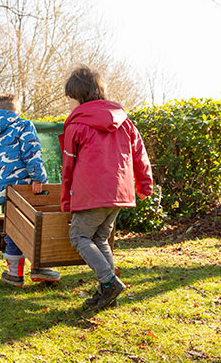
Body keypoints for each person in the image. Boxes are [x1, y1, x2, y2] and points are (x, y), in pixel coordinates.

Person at [60, 65, 153, 309]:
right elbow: (139, 156)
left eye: (69, 99)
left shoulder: (76, 125)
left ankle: (109, 282)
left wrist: (66, 200)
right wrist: (144, 186)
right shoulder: (125, 122)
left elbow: (68, 167)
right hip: (120, 193)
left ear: (77, 98)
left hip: (91, 193)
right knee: (100, 238)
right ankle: (107, 292)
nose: (69, 104)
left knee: (79, 236)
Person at [0, 93, 61, 286]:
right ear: (17, 112)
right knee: (36, 225)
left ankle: (14, 273)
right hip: (28, 189)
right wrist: (38, 178)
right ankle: (40, 267)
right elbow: (32, 152)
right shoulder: (23, 126)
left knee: (13, 229)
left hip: (5, 193)